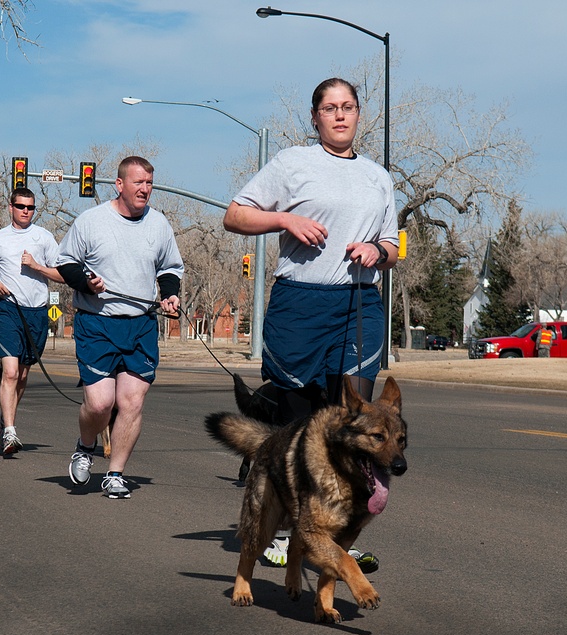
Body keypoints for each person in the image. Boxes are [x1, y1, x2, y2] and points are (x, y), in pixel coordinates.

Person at [223, 78, 398, 569]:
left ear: (360, 114)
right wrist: (284, 222)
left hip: (359, 303)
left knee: (352, 422)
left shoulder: (376, 177)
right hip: (300, 303)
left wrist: (377, 251)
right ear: (315, 117)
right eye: (329, 108)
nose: (340, 115)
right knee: (299, 427)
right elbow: (235, 216)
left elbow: (393, 244)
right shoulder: (292, 164)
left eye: (348, 107)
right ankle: (285, 530)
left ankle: (339, 535)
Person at [58, 156, 184, 499]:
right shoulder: (92, 221)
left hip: (141, 324)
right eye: (138, 182)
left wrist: (170, 295)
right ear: (119, 184)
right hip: (97, 323)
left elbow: (170, 267)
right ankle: (85, 446)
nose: (145, 189)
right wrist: (87, 282)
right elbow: (66, 262)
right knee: (100, 404)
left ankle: (116, 473)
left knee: (131, 402)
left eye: (149, 183)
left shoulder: (158, 224)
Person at [0, 187, 63, 455]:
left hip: (36, 312)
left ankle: (6, 417)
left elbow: (62, 274)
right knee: (10, 372)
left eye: (31, 207)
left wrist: (37, 266)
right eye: (21, 206)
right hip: (8, 310)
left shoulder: (44, 238)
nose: (26, 211)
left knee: (22, 376)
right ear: (10, 207)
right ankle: (10, 431)